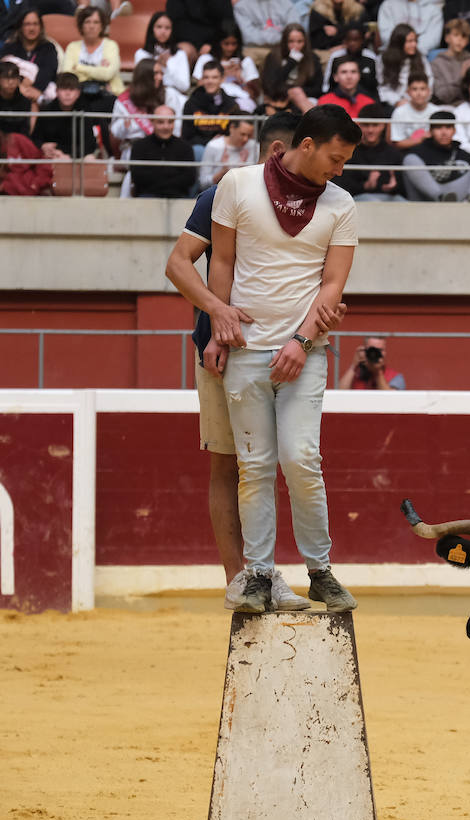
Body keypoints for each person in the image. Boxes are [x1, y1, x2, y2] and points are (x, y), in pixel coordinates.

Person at [207, 104, 363, 614]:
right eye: (335, 159)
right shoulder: (238, 184)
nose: (338, 171)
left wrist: (301, 339)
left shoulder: (341, 205)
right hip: (246, 349)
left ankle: (319, 571)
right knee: (253, 468)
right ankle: (258, 576)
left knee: (301, 459)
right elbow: (222, 261)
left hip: (305, 351)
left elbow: (333, 284)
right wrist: (217, 328)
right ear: (307, 144)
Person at [163, 112, 310, 613]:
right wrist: (217, 310)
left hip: (285, 352)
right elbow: (178, 263)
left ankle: (264, 572)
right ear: (281, 152)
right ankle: (240, 577)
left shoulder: (313, 203)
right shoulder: (223, 195)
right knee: (233, 467)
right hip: (224, 352)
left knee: (280, 463)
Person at [401, 109, 470, 199]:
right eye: (438, 128)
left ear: (454, 130)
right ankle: (440, 197)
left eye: (448, 127)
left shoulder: (464, 155)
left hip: (463, 202)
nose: (444, 133)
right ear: (430, 131)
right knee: (409, 159)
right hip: (432, 202)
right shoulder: (419, 152)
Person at [335, 101, 404, 199]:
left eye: (375, 125)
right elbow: (342, 186)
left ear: (383, 126)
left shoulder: (394, 153)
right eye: (366, 125)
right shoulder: (349, 152)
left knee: (402, 202)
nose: (370, 130)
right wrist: (365, 186)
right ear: (359, 126)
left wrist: (394, 186)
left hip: (390, 198)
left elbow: (402, 187)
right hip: (359, 198)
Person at [0, 10, 61, 101]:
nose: (32, 28)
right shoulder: (10, 47)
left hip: (40, 91)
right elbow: (4, 69)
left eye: (35, 24)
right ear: (21, 27)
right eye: (27, 24)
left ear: (40, 27)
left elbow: (49, 71)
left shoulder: (48, 47)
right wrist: (20, 87)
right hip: (14, 90)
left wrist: (36, 89)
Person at [129, 105, 196, 197]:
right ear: (152, 122)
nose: (166, 127)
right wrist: (170, 180)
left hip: (178, 198)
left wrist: (159, 180)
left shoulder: (185, 147)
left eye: (170, 122)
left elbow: (190, 177)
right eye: (160, 122)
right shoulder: (139, 146)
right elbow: (137, 176)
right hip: (147, 197)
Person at [193, 23, 262, 110]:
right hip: (211, 101)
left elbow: (254, 95)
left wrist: (240, 79)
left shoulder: (245, 62)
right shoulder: (206, 59)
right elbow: (199, 89)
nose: (230, 48)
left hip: (239, 103)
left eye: (234, 44)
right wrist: (222, 74)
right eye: (226, 44)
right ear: (218, 43)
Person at [0, 118, 53, 195]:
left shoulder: (17, 140)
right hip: (8, 197)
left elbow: (41, 161)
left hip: (33, 192)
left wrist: (36, 184)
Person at [182, 60, 241, 156]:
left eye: (214, 77)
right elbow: (187, 136)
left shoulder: (231, 105)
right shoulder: (191, 104)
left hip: (224, 148)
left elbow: (234, 134)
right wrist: (210, 142)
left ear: (222, 79)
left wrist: (221, 141)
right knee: (197, 150)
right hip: (200, 149)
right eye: (206, 77)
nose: (210, 81)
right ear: (202, 80)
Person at [61, 6, 124, 95]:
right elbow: (67, 75)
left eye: (96, 22)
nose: (91, 26)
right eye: (87, 22)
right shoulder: (72, 47)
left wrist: (79, 68)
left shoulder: (111, 46)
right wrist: (99, 71)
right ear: (81, 25)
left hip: (108, 93)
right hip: (79, 93)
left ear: (102, 26)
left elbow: (107, 74)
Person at [136, 11, 194, 95]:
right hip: (149, 96)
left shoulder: (180, 54)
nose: (163, 31)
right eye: (159, 27)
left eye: (167, 28)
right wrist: (156, 66)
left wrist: (167, 67)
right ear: (152, 29)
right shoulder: (142, 54)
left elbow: (184, 86)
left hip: (173, 96)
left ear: (172, 31)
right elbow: (140, 83)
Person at [377, 23, 433, 107]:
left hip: (419, 102)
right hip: (392, 104)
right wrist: (397, 101)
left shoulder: (421, 58)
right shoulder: (384, 59)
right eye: (410, 41)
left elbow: (429, 82)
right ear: (399, 43)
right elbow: (383, 87)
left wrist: (416, 101)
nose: (414, 44)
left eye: (415, 41)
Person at [431, 17, 470, 105]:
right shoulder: (436, 64)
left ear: (467, 41)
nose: (460, 40)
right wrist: (461, 78)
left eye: (463, 36)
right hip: (448, 107)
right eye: (456, 35)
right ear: (447, 38)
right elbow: (442, 96)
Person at [0, 60, 37, 138]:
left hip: (17, 142)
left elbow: (25, 131)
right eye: (6, 77)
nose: (11, 82)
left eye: (14, 77)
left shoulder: (25, 102)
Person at [199, 116, 259, 189]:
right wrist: (222, 172)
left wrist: (243, 168)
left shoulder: (254, 146)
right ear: (232, 128)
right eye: (242, 134)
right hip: (217, 192)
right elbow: (203, 182)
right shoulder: (214, 146)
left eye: (249, 136)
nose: (245, 139)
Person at [235, 0, 297, 65]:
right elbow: (248, 36)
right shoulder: (241, 6)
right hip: (255, 49)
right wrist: (280, 37)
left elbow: (294, 30)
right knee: (248, 59)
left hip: (281, 48)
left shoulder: (286, 4)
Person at [389, 73, 442, 150]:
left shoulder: (437, 111)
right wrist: (421, 140)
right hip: (406, 154)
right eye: (414, 89)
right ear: (408, 92)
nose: (419, 93)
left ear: (429, 91)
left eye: (422, 89)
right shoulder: (399, 112)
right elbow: (397, 143)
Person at [378, 0, 444, 58]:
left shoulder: (433, 9)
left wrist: (412, 48)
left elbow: (433, 39)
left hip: (421, 56)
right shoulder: (388, 4)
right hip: (392, 54)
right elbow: (385, 34)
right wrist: (403, 47)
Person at [340, 336, 407, 388]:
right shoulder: (356, 375)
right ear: (364, 351)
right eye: (371, 350)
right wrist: (353, 365)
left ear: (385, 352)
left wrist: (378, 373)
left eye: (379, 350)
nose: (374, 353)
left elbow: (391, 399)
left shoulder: (396, 377)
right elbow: (339, 394)